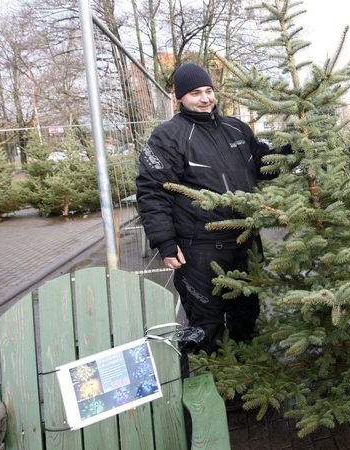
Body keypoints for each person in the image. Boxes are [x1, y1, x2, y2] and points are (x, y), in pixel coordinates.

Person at [136, 63, 282, 357]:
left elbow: (261, 168)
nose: (204, 99)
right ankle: (213, 391)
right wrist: (165, 242)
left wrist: (287, 154)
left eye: (208, 91)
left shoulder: (236, 128)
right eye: (194, 93)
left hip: (246, 242)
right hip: (200, 251)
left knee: (246, 316)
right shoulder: (169, 136)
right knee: (207, 324)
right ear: (179, 97)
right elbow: (152, 191)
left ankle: (249, 384)